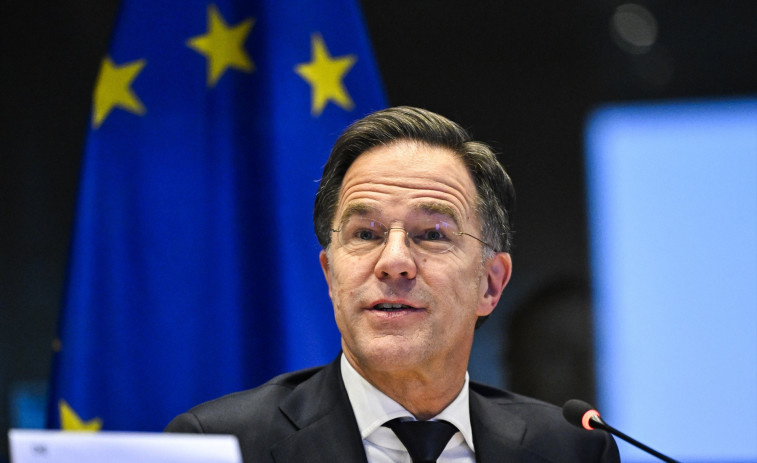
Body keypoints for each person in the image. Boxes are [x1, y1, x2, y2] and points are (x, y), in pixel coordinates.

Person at [165, 106, 620, 462]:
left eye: (432, 234)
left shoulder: (573, 450)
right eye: (366, 234)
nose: (394, 262)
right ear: (330, 275)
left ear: (490, 284)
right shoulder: (220, 446)